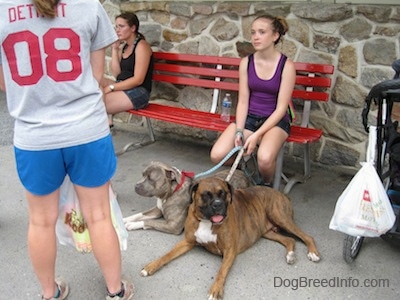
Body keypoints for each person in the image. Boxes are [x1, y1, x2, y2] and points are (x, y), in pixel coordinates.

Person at [0, 1, 133, 299]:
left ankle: (50, 293)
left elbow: (6, 83)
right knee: (99, 215)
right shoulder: (87, 5)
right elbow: (97, 75)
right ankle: (116, 290)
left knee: (40, 221)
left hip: (34, 136)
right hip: (86, 129)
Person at [210, 14, 296, 186]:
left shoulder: (286, 66)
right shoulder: (246, 63)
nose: (255, 37)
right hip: (249, 117)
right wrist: (240, 131)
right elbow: (243, 101)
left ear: (275, 36)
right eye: (253, 32)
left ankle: (265, 184)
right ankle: (246, 169)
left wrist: (257, 135)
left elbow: (281, 109)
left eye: (262, 32)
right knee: (217, 155)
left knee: (264, 159)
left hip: (275, 121)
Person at [101, 12, 154, 128]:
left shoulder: (141, 46)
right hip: (124, 87)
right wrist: (115, 50)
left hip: (139, 92)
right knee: (96, 80)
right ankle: (107, 118)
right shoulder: (125, 47)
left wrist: (111, 87)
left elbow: (138, 80)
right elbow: (117, 74)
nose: (117, 30)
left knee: (97, 102)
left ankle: (106, 120)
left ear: (133, 28)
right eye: (116, 27)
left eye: (121, 26)